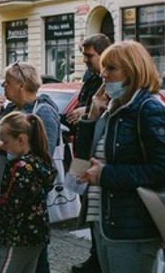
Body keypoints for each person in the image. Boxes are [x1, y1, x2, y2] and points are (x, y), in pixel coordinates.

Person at [76, 41, 165, 272]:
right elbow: (82, 158)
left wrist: (106, 175)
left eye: (111, 68)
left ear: (132, 72)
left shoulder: (149, 109)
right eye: (103, 68)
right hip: (106, 222)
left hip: (133, 229)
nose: (103, 75)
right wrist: (92, 115)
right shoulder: (114, 109)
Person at [0, 61, 60, 273]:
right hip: (10, 190)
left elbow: (44, 157)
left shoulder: (42, 112)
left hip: (29, 200)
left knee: (34, 258)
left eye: (7, 82)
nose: (3, 85)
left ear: (20, 84)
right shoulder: (10, 108)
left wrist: (3, 150)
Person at [0, 112, 55, 273]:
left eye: (6, 142)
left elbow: (8, 200)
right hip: (37, 233)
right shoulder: (40, 161)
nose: (4, 147)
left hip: (17, 235)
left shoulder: (19, 167)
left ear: (21, 139)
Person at [66, 33, 110, 273]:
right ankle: (94, 254)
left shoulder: (109, 81)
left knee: (94, 203)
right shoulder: (90, 78)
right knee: (83, 199)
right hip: (81, 149)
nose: (85, 60)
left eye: (89, 55)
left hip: (94, 152)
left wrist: (88, 110)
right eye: (84, 54)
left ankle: (97, 257)